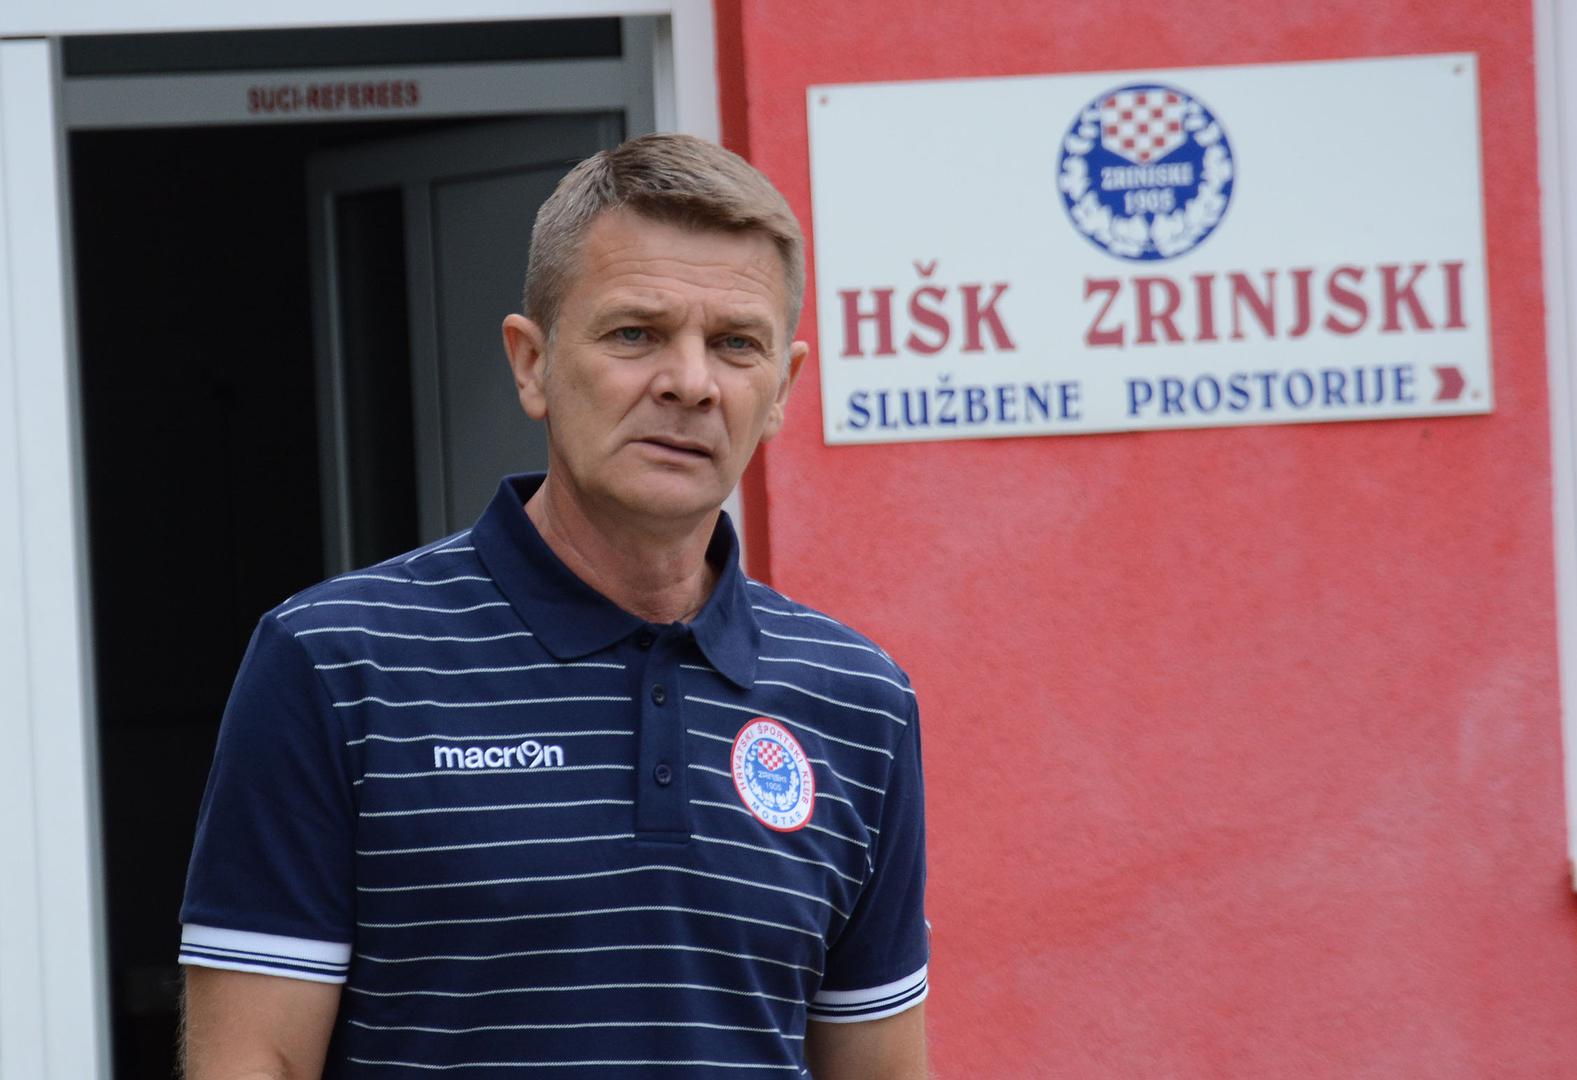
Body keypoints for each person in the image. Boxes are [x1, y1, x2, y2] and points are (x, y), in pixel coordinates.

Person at [178, 133, 929, 1078]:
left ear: (782, 388)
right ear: (530, 363)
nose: (690, 383)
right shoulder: (334, 666)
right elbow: (253, 1061)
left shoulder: (858, 701)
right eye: (635, 333)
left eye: (735, 344)